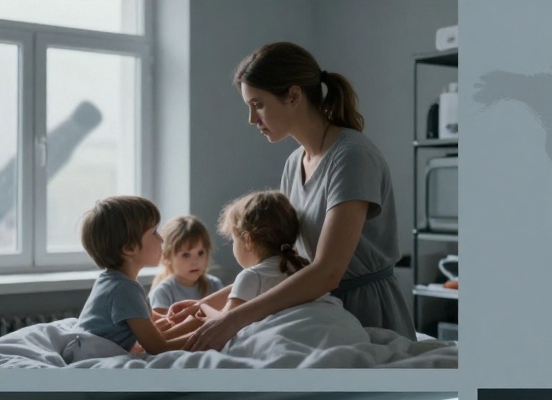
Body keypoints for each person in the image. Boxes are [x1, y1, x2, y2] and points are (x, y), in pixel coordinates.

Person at [172, 41, 416, 349]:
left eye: (258, 104)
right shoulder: (294, 163)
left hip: (364, 312)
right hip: (317, 314)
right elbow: (285, 266)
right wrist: (203, 305)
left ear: (294, 96)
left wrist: (232, 319)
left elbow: (327, 272)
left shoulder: (352, 157)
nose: (252, 119)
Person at [76, 196, 199, 355]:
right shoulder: (125, 290)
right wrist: (201, 335)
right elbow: (157, 347)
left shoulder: (112, 281)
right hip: (91, 355)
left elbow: (148, 318)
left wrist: (176, 318)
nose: (161, 239)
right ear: (129, 248)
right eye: (154, 232)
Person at [217, 190, 330, 310]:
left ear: (248, 240)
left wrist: (205, 308)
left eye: (233, 240)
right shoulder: (304, 269)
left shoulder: (251, 276)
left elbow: (226, 319)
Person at [148, 215, 224, 316]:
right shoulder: (162, 292)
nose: (195, 261)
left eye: (200, 253)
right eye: (186, 255)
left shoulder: (214, 284)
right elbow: (161, 325)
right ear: (167, 257)